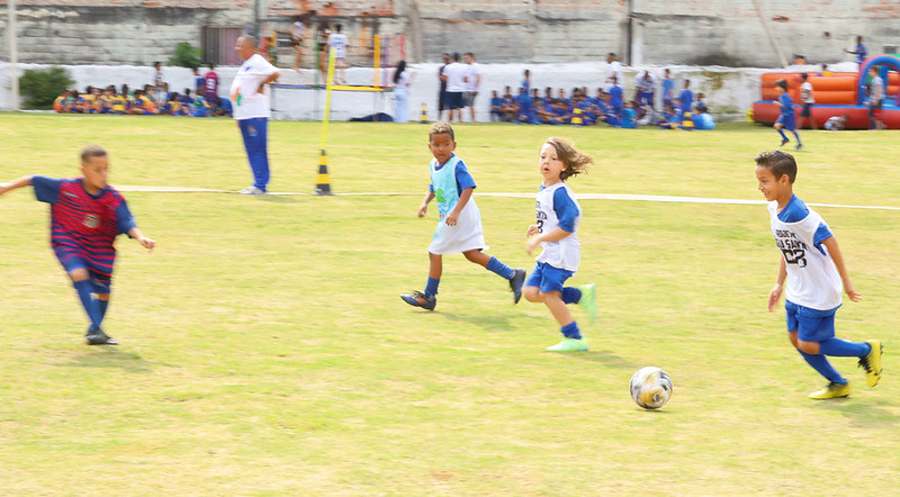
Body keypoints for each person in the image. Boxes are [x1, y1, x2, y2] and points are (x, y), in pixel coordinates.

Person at [755, 151, 882, 399]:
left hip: (820, 291)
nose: (759, 187)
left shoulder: (800, 213)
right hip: (798, 289)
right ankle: (838, 383)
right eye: (758, 181)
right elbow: (787, 247)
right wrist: (778, 284)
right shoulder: (774, 209)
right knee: (795, 339)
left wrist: (846, 282)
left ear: (784, 180)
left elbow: (831, 242)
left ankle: (866, 350)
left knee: (808, 343)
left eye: (764, 181)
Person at [0, 146, 155, 345]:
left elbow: (126, 221)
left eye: (106, 169)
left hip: (99, 246)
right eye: (97, 170)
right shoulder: (65, 188)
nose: (103, 174)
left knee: (103, 291)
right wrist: (6, 188)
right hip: (67, 240)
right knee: (78, 273)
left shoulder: (112, 198)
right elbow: (33, 179)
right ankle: (97, 328)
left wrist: (141, 238)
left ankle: (95, 332)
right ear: (83, 169)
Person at [401, 122, 526, 311]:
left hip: (459, 215)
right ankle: (512, 274)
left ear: (454, 145)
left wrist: (456, 211)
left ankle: (429, 296)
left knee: (434, 252)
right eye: (436, 145)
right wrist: (425, 203)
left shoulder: (456, 165)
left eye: (446, 144)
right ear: (429, 147)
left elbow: (469, 187)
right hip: (454, 216)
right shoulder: (433, 165)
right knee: (471, 254)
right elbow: (434, 186)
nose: (441, 148)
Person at [523, 138, 597, 352]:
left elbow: (568, 227)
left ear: (563, 166)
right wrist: (539, 228)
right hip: (550, 251)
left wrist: (540, 238)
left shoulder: (561, 193)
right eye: (543, 156)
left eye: (554, 159)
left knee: (549, 295)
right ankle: (580, 295)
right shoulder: (545, 188)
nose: (546, 162)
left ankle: (574, 338)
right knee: (530, 292)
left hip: (562, 254)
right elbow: (551, 219)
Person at [230, 34, 281, 195]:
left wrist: (262, 83)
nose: (236, 48)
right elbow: (239, 92)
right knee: (251, 150)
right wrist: (238, 116)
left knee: (258, 149)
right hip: (245, 115)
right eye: (237, 45)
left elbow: (276, 73)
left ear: (250, 48)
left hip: (255, 115)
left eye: (240, 46)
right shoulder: (245, 65)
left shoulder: (257, 61)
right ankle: (257, 183)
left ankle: (260, 185)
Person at [773, 79, 802, 150]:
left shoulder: (785, 96)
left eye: (778, 87)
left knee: (792, 130)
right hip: (783, 115)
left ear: (782, 88)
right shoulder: (781, 95)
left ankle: (799, 143)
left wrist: (778, 104)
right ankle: (785, 138)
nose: (776, 88)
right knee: (777, 126)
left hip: (789, 115)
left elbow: (786, 106)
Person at [442, 53, 467, 122]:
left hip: (450, 89)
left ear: (452, 58)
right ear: (459, 59)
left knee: (450, 108)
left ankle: (450, 121)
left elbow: (444, 78)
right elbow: (465, 79)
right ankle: (461, 121)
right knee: (460, 107)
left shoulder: (447, 67)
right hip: (460, 89)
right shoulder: (464, 67)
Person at [463, 52, 481, 122]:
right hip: (466, 89)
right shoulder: (467, 67)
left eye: (466, 58)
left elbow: (478, 78)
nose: (465, 60)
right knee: (465, 105)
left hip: (472, 90)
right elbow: (466, 78)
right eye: (464, 58)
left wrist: (475, 89)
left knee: (471, 105)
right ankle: (463, 119)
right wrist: (465, 79)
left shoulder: (476, 66)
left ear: (471, 58)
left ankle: (474, 120)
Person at [437, 53, 450, 121]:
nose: (445, 60)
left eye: (446, 59)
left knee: (451, 106)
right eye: (444, 59)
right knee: (440, 106)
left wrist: (445, 77)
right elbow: (440, 77)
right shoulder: (441, 68)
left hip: (450, 89)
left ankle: (450, 120)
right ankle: (439, 119)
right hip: (443, 88)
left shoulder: (451, 67)